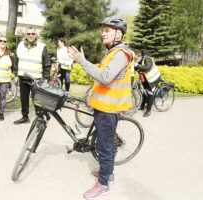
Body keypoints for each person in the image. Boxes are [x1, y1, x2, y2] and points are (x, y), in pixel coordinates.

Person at [68, 17, 132, 199]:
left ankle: (103, 184)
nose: (103, 33)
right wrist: (90, 95)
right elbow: (103, 81)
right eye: (103, 30)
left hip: (108, 110)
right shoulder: (112, 52)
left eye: (108, 30)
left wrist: (82, 60)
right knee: (106, 143)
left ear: (118, 34)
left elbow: (104, 76)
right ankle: (108, 172)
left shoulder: (120, 54)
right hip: (102, 107)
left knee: (104, 146)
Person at [13, 26, 51, 124]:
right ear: (26, 35)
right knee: (24, 99)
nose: (30, 35)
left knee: (37, 99)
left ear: (35, 35)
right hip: (23, 77)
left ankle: (40, 117)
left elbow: (46, 64)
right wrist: (16, 75)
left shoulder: (42, 46)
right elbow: (16, 61)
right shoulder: (20, 45)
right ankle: (25, 117)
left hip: (36, 79)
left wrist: (46, 78)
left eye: (33, 34)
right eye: (28, 33)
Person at [134, 50, 161, 117]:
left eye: (136, 58)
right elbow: (137, 68)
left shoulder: (147, 59)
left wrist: (137, 65)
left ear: (139, 56)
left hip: (153, 79)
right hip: (146, 78)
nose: (135, 60)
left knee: (150, 93)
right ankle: (142, 106)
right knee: (145, 92)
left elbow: (147, 68)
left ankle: (148, 111)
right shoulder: (139, 60)